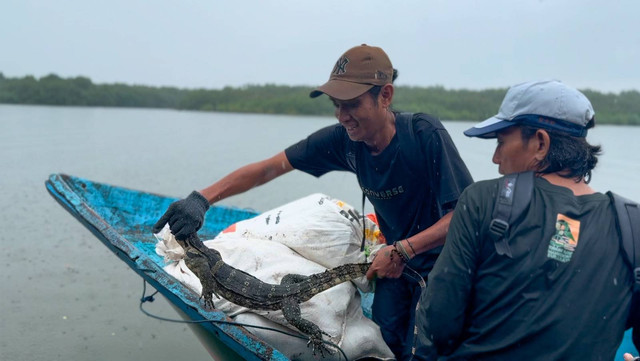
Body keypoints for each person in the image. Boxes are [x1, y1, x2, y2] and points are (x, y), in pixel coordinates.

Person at [153, 44, 474, 359]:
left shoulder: (423, 134)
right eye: (336, 104)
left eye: (352, 104)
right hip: (393, 267)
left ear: (385, 95)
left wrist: (405, 248)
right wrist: (201, 199)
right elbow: (267, 169)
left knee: (423, 350)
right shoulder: (345, 140)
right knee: (384, 343)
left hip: (440, 265)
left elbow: (464, 215)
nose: (342, 115)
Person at [415, 79, 637, 360]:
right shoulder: (631, 224)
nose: (496, 158)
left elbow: (439, 323)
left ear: (541, 143)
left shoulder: (482, 201)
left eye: (501, 142)